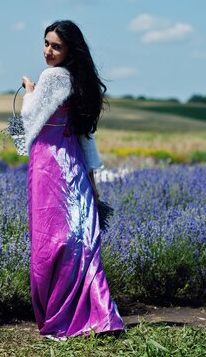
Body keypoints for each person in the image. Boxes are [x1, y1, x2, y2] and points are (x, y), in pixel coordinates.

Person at [20, 20, 124, 339]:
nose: (48, 51)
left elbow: (28, 118)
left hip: (50, 166)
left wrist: (29, 92)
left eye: (56, 46)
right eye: (46, 43)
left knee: (50, 241)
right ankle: (100, 314)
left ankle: (62, 316)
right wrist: (91, 178)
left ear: (69, 51)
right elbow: (86, 136)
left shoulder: (52, 77)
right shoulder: (79, 80)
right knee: (81, 240)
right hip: (73, 165)